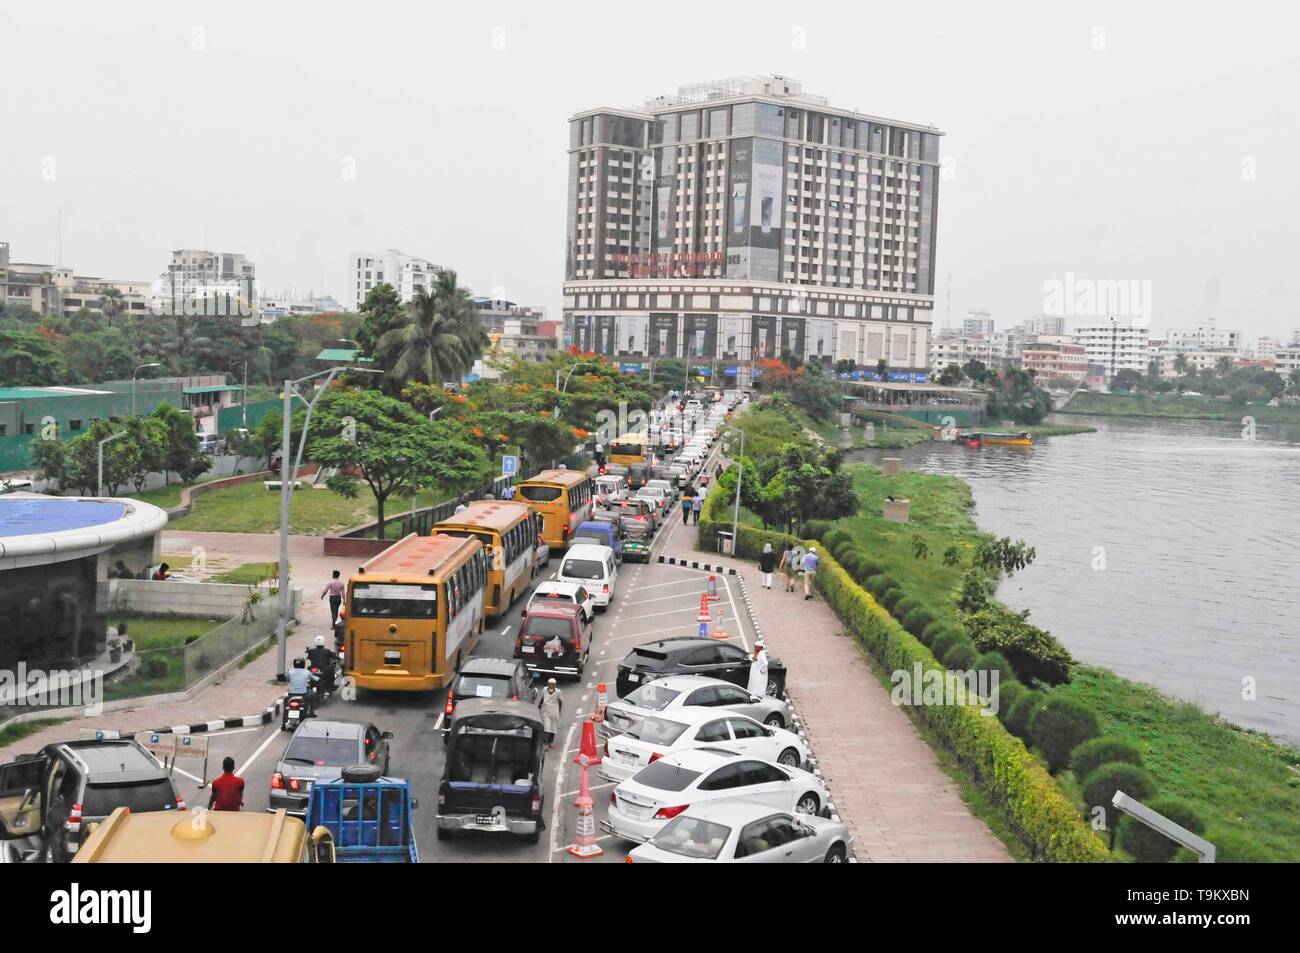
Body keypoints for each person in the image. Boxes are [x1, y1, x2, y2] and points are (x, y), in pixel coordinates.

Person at [538, 678, 562, 749]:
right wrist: (539, 705)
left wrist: (559, 711)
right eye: (549, 684)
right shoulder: (544, 690)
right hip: (546, 712)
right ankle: (546, 743)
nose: (551, 685)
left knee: (553, 728)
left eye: (552, 684)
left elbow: (560, 701)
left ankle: (550, 742)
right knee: (547, 727)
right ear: (548, 684)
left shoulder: (558, 692)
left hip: (554, 712)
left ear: (555, 685)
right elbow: (543, 698)